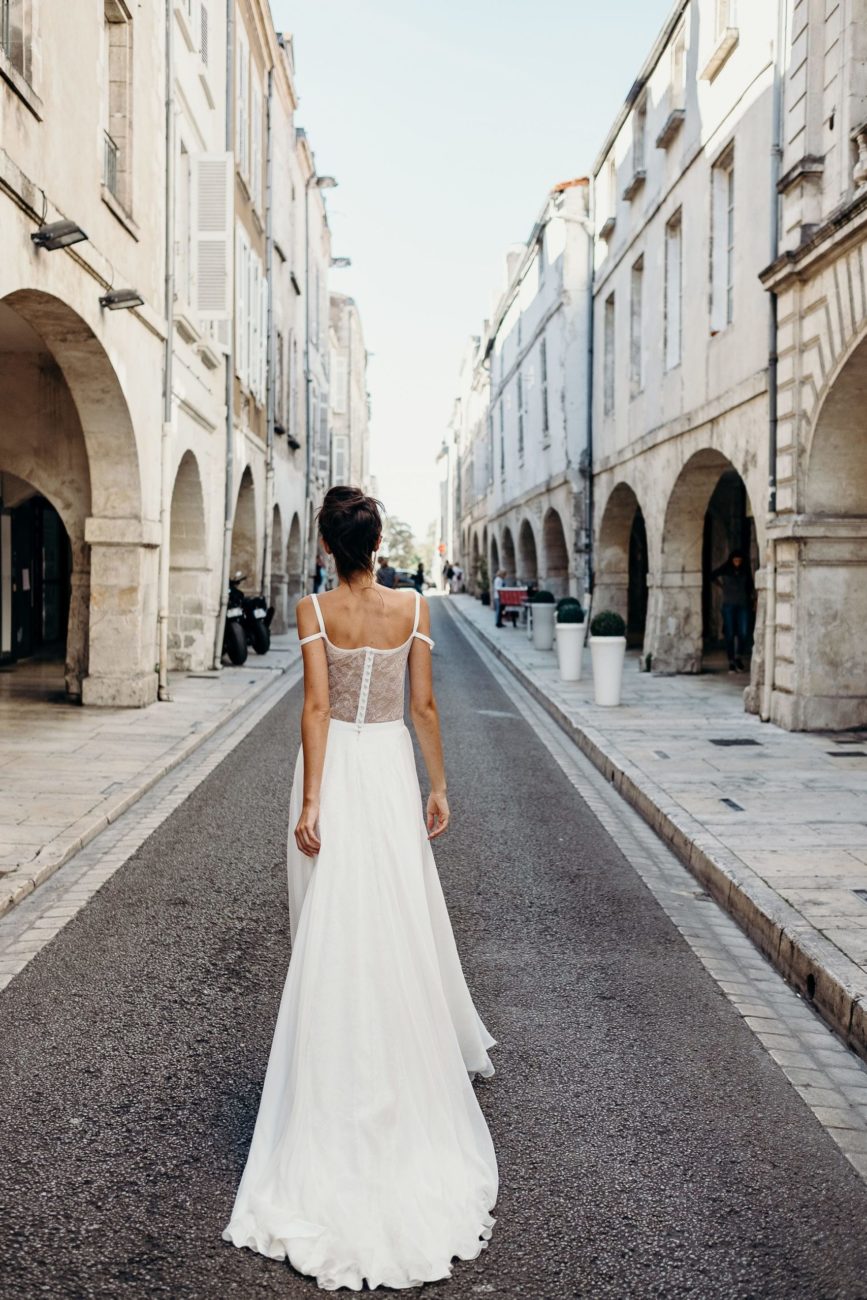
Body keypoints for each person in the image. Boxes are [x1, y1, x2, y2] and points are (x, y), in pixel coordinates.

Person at [222, 486, 497, 1290]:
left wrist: (310, 799)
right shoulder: (412, 607)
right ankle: (398, 1057)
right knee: (396, 918)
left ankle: (338, 1062)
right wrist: (437, 786)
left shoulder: (313, 610)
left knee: (330, 920)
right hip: (387, 767)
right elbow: (422, 706)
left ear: (326, 543)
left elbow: (314, 706)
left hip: (339, 768)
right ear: (377, 543)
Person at [712, 550, 753, 672]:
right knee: (729, 633)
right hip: (728, 604)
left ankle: (738, 657)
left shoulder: (745, 570)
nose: (737, 563)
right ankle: (731, 661)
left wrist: (753, 599)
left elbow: (750, 585)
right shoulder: (726, 569)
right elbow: (712, 575)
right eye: (735, 560)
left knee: (743, 632)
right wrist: (721, 586)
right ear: (731, 560)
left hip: (743, 604)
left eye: (739, 560)